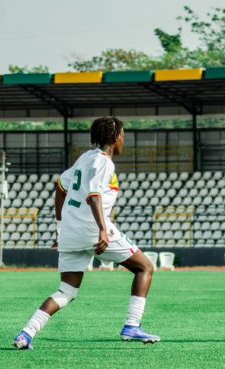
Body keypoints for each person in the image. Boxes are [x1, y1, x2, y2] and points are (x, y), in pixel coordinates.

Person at [13, 117, 159, 350]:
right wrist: (102, 230)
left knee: (67, 291)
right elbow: (94, 196)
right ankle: (132, 326)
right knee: (145, 268)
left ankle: (26, 334)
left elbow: (61, 186)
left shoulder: (85, 158)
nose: (124, 140)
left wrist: (60, 228)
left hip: (71, 232)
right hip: (93, 229)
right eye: (123, 135)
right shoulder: (104, 162)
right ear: (115, 137)